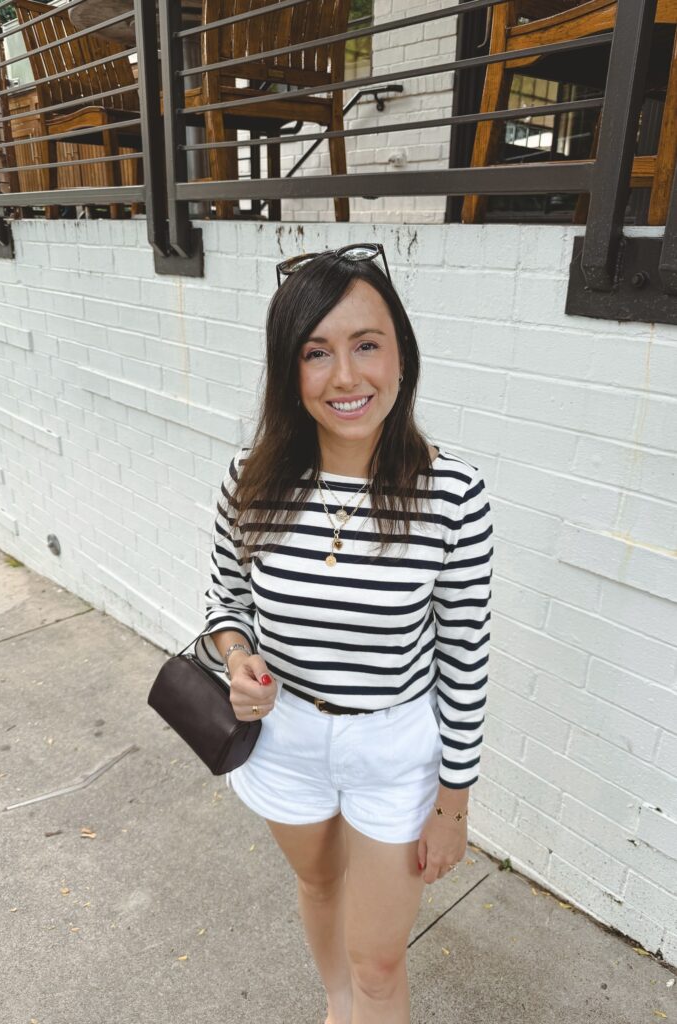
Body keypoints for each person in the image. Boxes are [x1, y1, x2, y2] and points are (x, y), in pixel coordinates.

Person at [195, 243, 494, 1024]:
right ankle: (335, 1008)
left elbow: (464, 657)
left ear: (401, 355)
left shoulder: (452, 496)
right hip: (286, 739)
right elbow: (224, 603)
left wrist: (453, 804)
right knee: (318, 886)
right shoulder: (252, 481)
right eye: (315, 352)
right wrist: (238, 660)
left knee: (380, 963)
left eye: (366, 344)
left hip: (392, 749)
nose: (345, 376)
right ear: (288, 371)